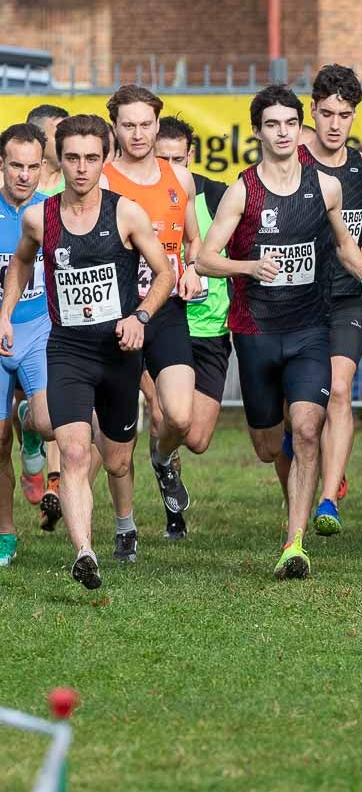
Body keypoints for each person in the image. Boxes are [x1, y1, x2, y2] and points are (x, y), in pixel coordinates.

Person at [196, 86, 362, 581]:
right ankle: (289, 485)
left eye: (289, 124)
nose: (282, 133)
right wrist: (249, 266)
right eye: (272, 125)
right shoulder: (243, 190)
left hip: (310, 326)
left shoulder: (323, 186)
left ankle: (295, 542)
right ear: (259, 131)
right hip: (257, 329)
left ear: (296, 127)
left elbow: (348, 247)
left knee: (308, 428)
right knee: (269, 445)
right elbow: (205, 258)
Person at [0, 113, 174, 589]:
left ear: (105, 159)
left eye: (91, 158)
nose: (81, 168)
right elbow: (19, 264)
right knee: (74, 452)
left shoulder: (127, 213)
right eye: (72, 157)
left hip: (118, 351)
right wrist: (6, 312)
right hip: (68, 349)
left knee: (116, 460)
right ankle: (84, 552)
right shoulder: (41, 217)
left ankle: (121, 518)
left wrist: (139, 318)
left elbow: (165, 274)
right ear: (61, 158)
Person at [103, 87, 206, 545]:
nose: (138, 133)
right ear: (115, 129)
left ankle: (163, 461)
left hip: (166, 310)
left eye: (146, 124)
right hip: (117, 315)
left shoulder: (179, 180)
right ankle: (123, 524)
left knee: (179, 418)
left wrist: (193, 271)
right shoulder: (102, 180)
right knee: (119, 438)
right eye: (129, 125)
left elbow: (193, 243)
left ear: (157, 126)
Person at [298, 64, 362, 536]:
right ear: (311, 111)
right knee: (290, 417)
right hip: (290, 302)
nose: (335, 124)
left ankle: (330, 497)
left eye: (345, 115)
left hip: (345, 296)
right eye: (327, 113)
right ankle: (315, 472)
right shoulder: (289, 161)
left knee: (339, 390)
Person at [154, 117, 230, 514]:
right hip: (165, 322)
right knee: (164, 414)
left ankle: (164, 456)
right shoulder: (140, 199)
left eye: (177, 158)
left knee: (196, 438)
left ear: (192, 156)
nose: (169, 166)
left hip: (211, 329)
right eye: (161, 157)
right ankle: (171, 511)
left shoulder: (217, 197)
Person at [0, 124, 56, 567]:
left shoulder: (52, 212)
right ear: (2, 164)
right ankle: (5, 535)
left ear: (43, 166)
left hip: (40, 330)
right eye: (15, 165)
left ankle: (32, 430)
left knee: (53, 421)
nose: (24, 174)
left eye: (32, 166)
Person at [25, 104, 68, 196]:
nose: (69, 141)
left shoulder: (84, 182)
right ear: (36, 139)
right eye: (60, 135)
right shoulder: (8, 185)